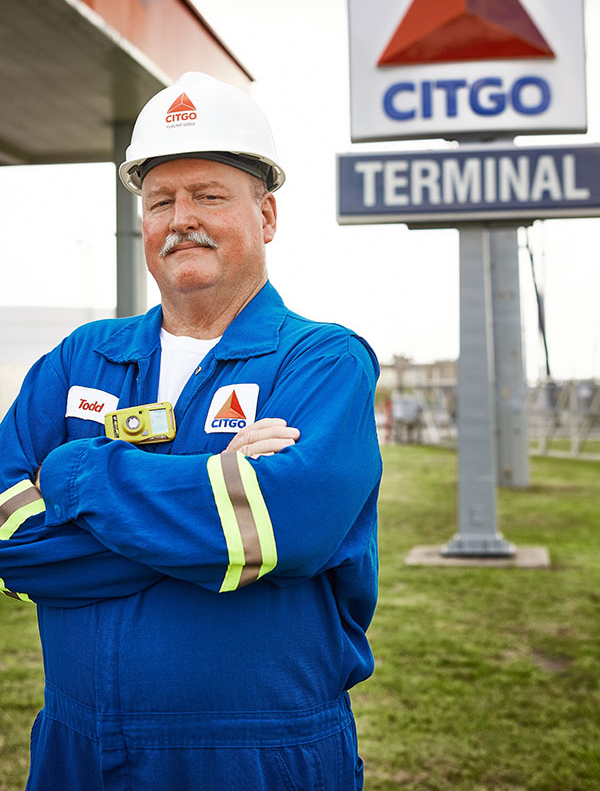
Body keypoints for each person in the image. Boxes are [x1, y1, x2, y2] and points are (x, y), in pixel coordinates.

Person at [0, 72, 382, 791]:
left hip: (258, 753)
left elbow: (280, 529)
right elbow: (1, 538)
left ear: (266, 217)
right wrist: (216, 504)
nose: (182, 218)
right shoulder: (84, 355)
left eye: (209, 195)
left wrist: (74, 473)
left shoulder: (322, 360)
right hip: (77, 749)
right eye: (160, 201)